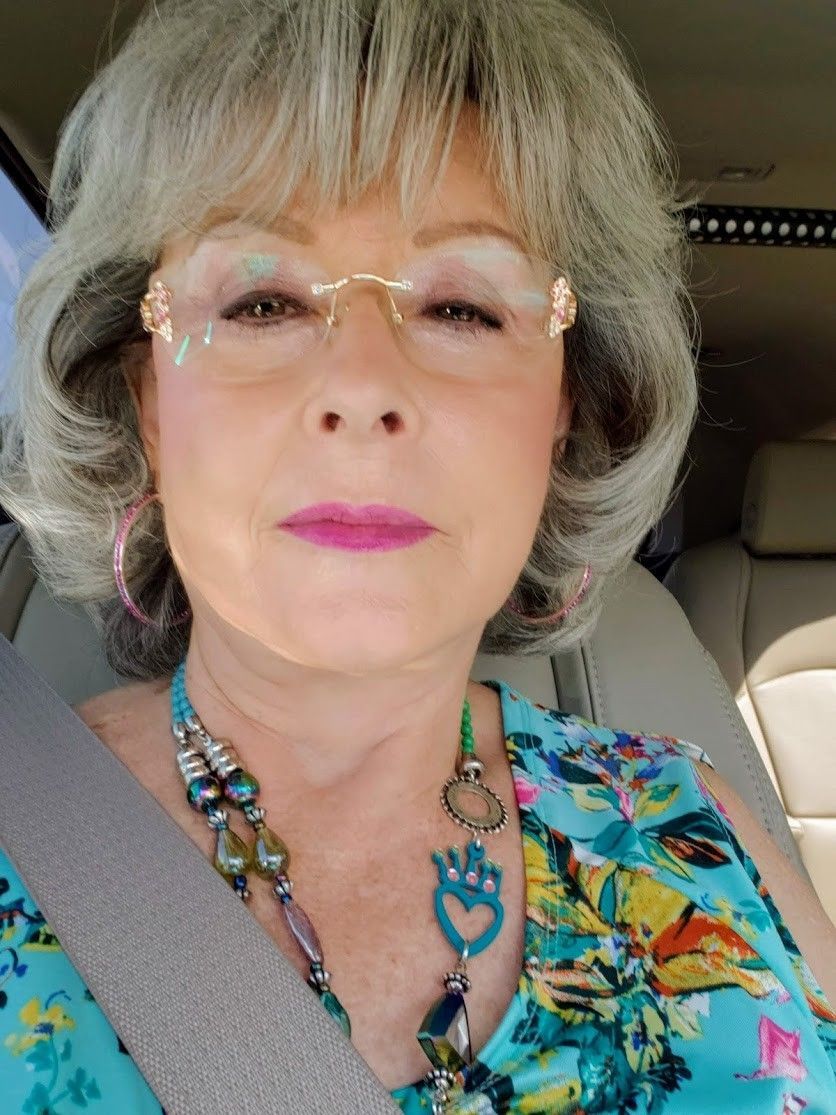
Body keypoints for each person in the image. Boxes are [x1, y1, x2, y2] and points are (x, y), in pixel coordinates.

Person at [0, 0, 834, 1111]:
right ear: (144, 398)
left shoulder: (692, 822)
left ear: (564, 408)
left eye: (461, 307)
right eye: (261, 300)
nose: (362, 388)